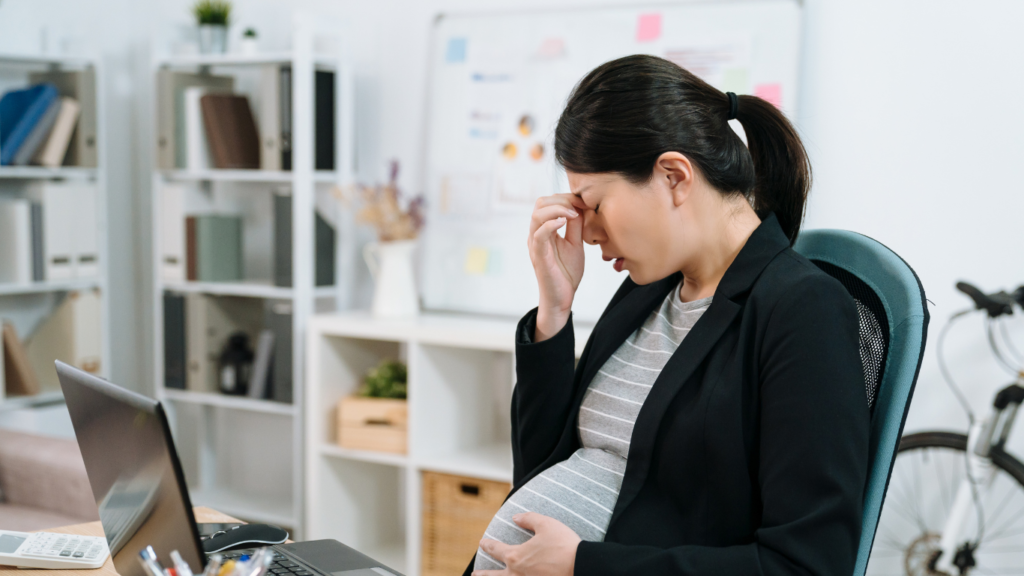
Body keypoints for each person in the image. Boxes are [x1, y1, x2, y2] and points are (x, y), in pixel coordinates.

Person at [466, 54, 869, 576]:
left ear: (675, 176)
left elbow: (805, 564)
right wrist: (555, 310)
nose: (586, 232)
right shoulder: (648, 291)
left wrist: (586, 566)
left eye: (594, 204)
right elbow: (540, 469)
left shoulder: (801, 310)